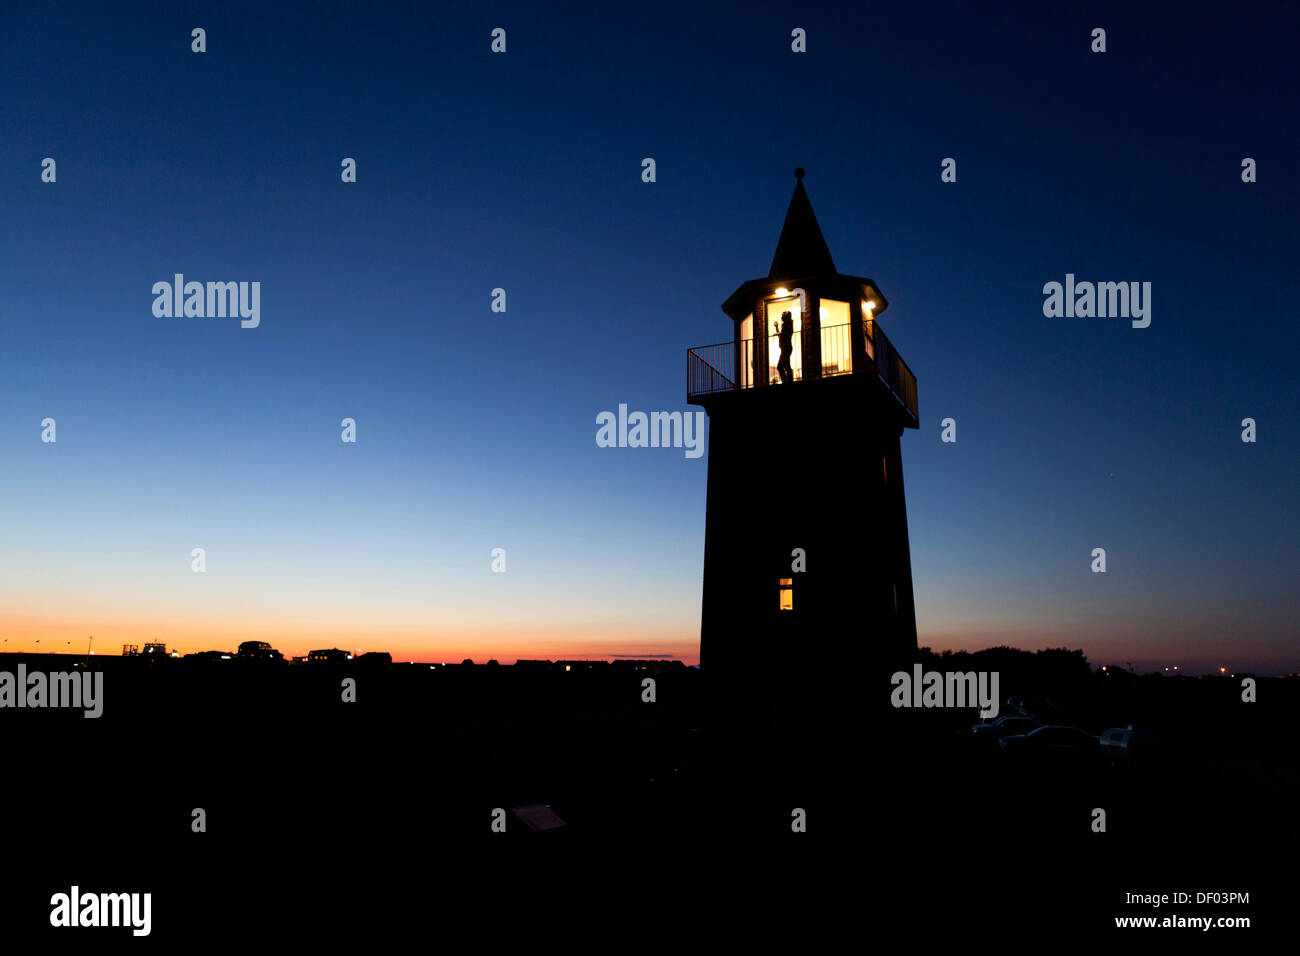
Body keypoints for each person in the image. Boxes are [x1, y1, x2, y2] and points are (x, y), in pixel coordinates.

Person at [776, 311, 794, 384]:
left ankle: (786, 382)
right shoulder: (785, 325)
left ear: (786, 317)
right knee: (787, 366)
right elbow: (780, 335)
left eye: (783, 315)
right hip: (784, 348)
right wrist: (777, 328)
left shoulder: (788, 324)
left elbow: (783, 334)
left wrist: (778, 332)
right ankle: (789, 381)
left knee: (780, 366)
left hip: (786, 348)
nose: (781, 317)